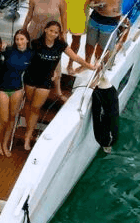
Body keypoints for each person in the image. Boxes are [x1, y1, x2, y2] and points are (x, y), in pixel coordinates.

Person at [19, 19, 96, 148]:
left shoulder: (61, 45)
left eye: (56, 32)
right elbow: (25, 57)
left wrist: (90, 66)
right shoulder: (36, 43)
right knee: (28, 103)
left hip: (45, 81)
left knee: (36, 108)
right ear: (45, 30)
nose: (53, 34)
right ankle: (29, 128)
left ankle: (28, 135)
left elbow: (75, 57)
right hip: (31, 78)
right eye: (51, 31)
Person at [0, 29, 33, 156]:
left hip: (17, 89)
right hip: (3, 89)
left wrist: (54, 73)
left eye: (22, 39)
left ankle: (4, 144)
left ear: (27, 40)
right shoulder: (9, 50)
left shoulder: (30, 54)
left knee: (12, 118)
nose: (19, 42)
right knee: (3, 119)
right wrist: (1, 46)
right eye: (17, 39)